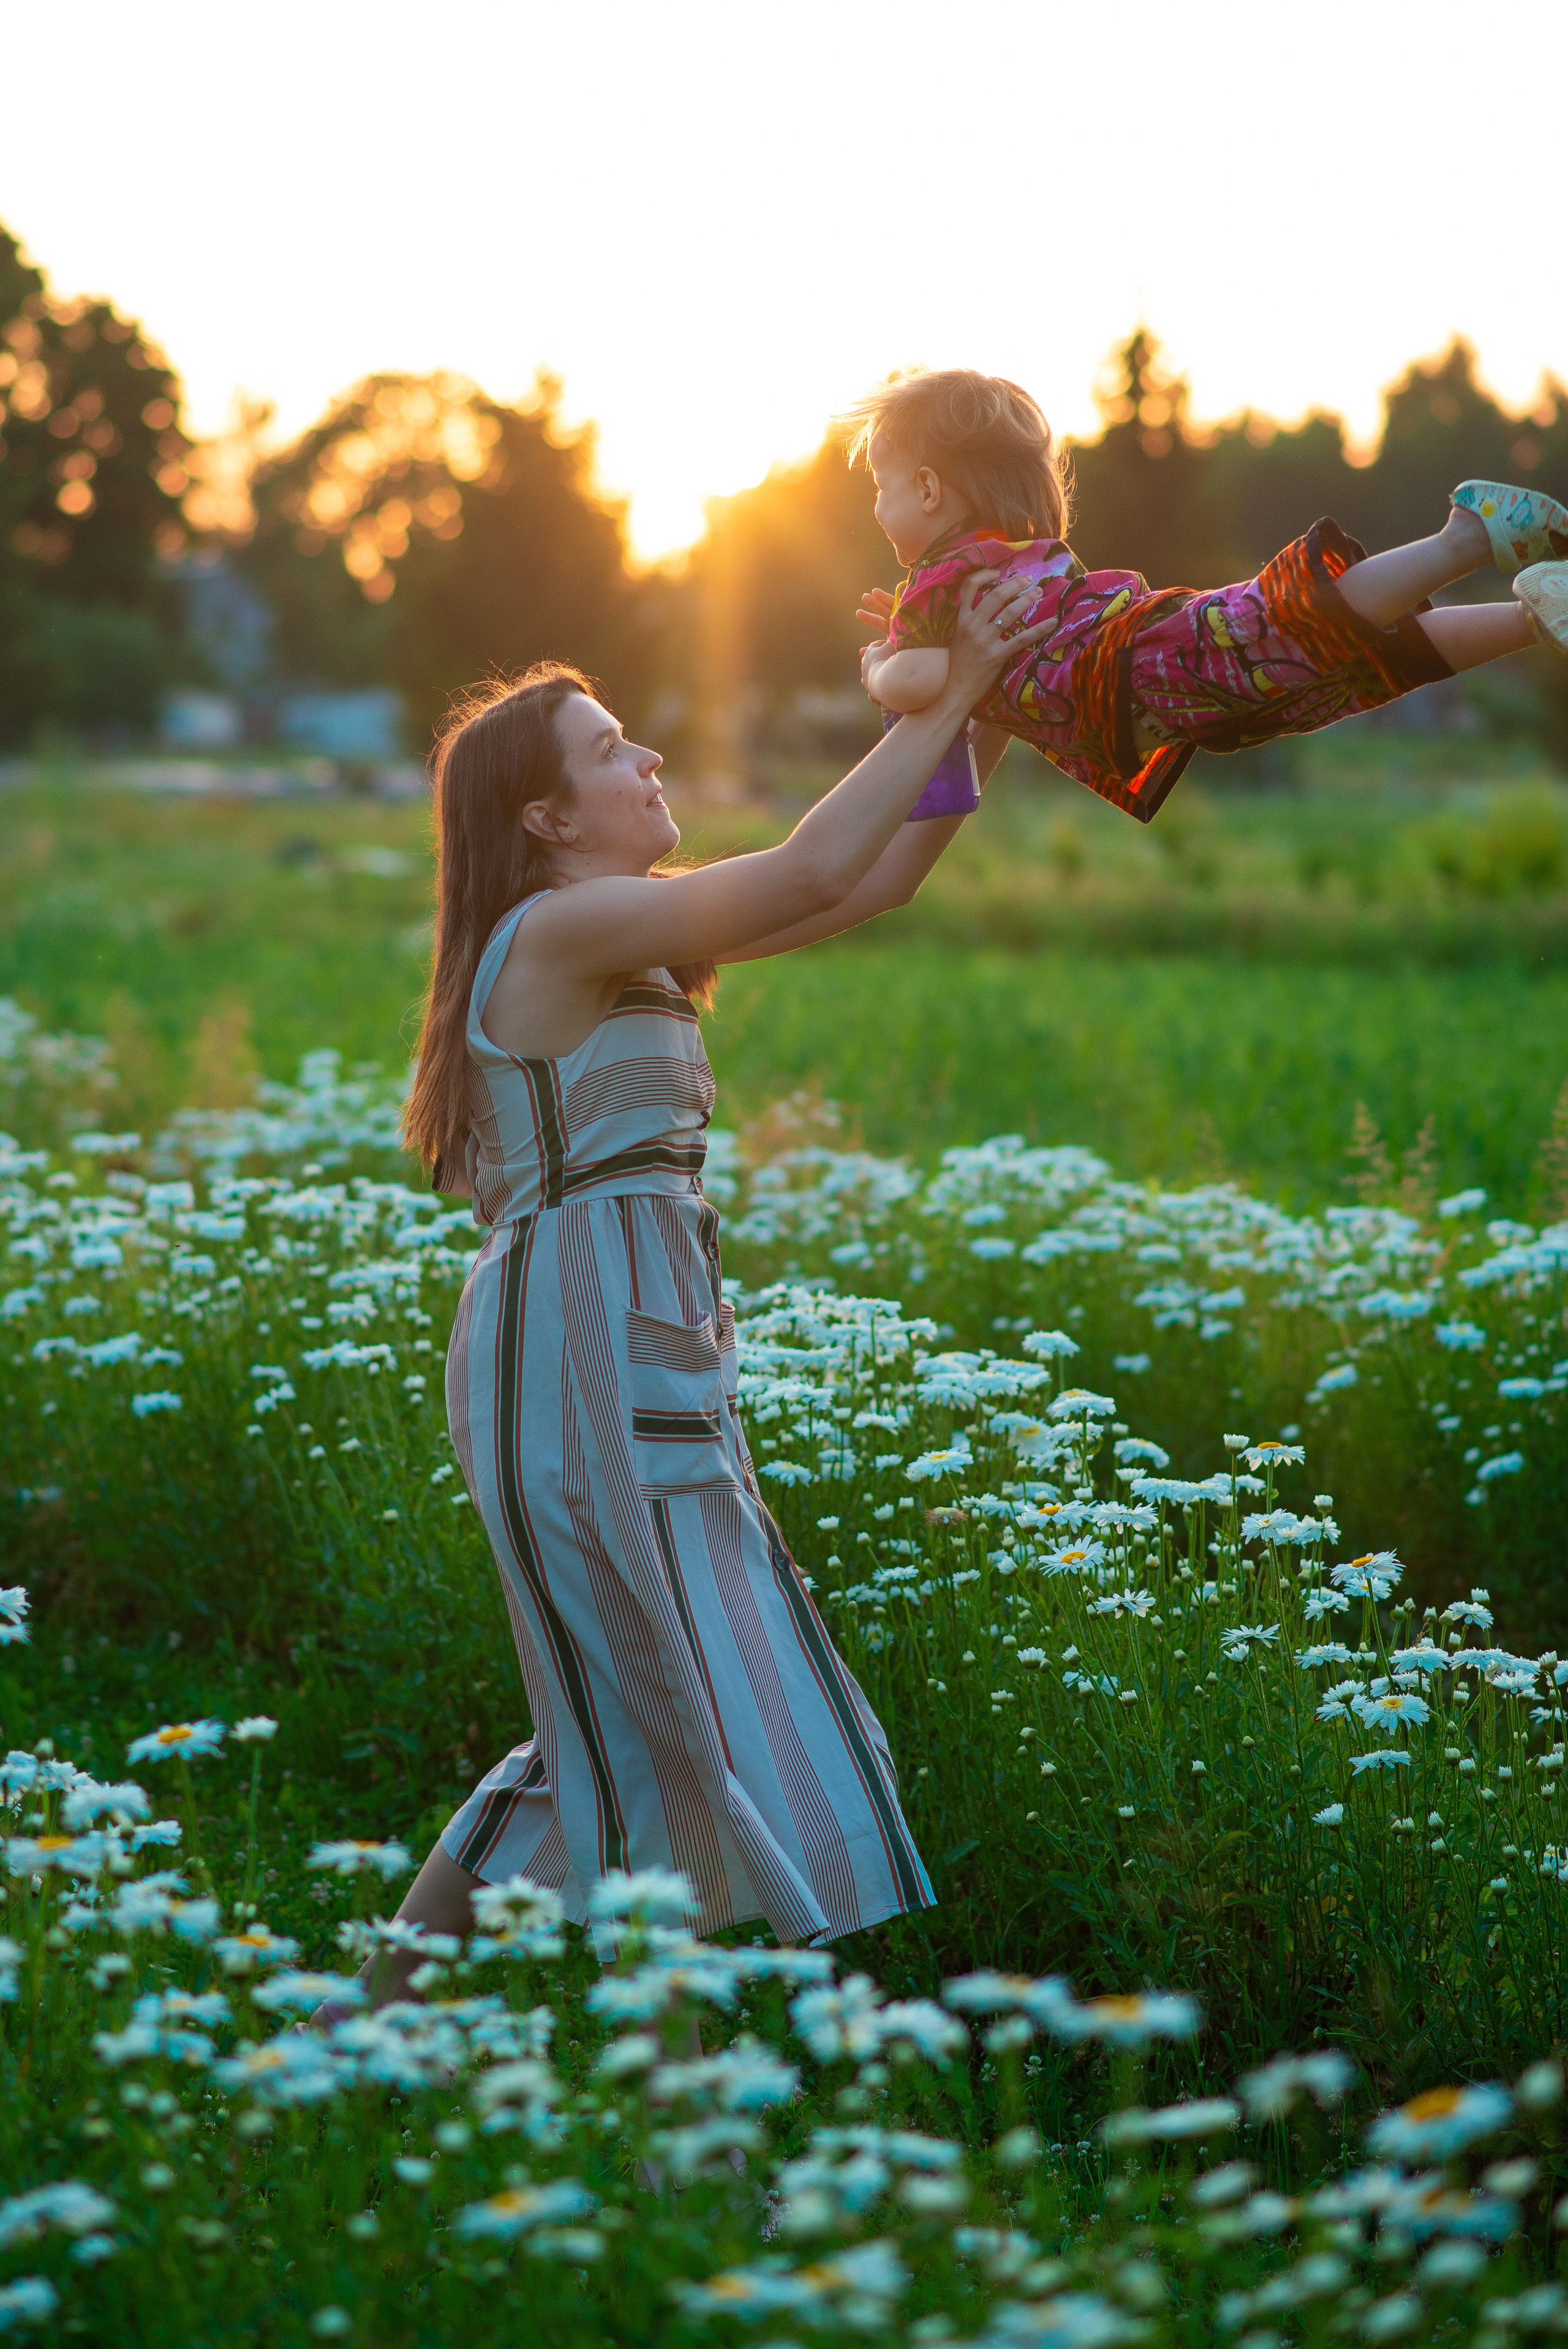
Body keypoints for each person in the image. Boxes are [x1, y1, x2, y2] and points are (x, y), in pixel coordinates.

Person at [343, 568, 1046, 2008]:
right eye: (609, 751)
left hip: (637, 1344)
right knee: (649, 1719)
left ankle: (356, 2035)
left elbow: (872, 877)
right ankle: (683, 2148)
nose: (646, 756)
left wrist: (1005, 708)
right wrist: (958, 687)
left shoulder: (630, 930)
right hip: (564, 1351)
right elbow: (796, 865)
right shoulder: (552, 933)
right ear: (544, 819)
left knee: (616, 1720)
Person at [848, 369, 1568, 826]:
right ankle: (1533, 613)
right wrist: (922, 643)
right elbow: (974, 687)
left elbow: (917, 683)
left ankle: (1464, 539)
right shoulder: (1012, 555)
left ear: (928, 489)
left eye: (881, 487)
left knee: (1296, 618)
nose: (877, 510)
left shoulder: (938, 578)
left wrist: (883, 659)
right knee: (1344, 664)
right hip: (1153, 675)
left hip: (1141, 666)